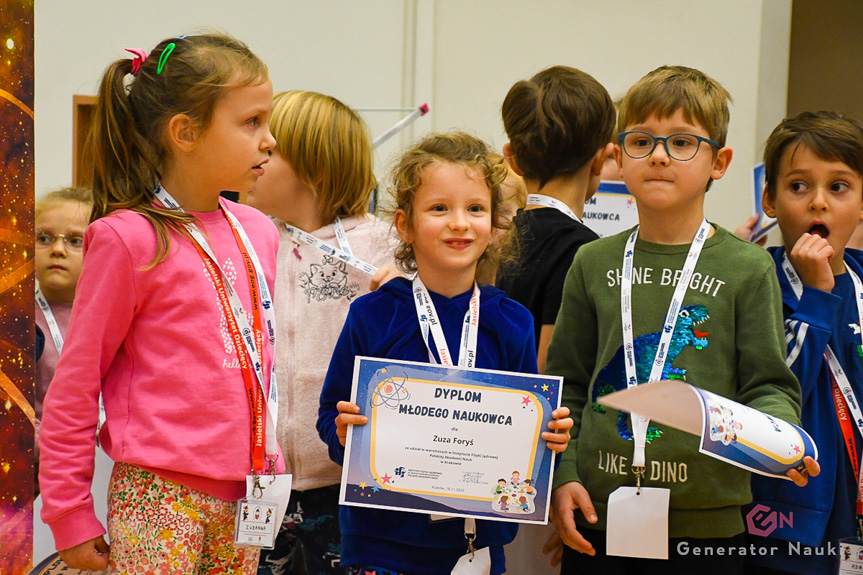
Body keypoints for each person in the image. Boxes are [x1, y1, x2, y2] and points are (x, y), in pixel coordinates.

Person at [546, 65, 817, 574]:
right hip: (598, 515)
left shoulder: (747, 267)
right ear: (617, 156)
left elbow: (769, 384)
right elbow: (568, 387)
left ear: (720, 161)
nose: (661, 155)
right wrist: (563, 475)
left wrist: (783, 439)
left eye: (683, 142)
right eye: (642, 141)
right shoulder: (593, 261)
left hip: (710, 527)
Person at [38, 33, 284, 574]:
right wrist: (70, 514)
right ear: (185, 132)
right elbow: (76, 385)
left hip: (248, 495)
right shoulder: (128, 239)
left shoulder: (259, 231)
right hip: (160, 495)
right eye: (251, 123)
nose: (269, 140)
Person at [317, 132, 573, 575]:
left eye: (475, 208)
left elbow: (525, 435)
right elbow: (328, 418)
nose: (459, 222)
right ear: (405, 224)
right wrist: (344, 433)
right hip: (381, 546)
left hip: (476, 546)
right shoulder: (372, 314)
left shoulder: (513, 322)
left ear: (495, 227)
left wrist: (548, 440)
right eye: (439, 208)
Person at [245, 89, 398, 575]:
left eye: (269, 151)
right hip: (260, 480)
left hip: (346, 479)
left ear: (315, 167)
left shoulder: (382, 244)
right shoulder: (246, 239)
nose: (255, 156)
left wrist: (405, 292)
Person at [744, 111, 863, 575]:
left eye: (838, 187)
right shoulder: (754, 279)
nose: (818, 203)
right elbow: (774, 392)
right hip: (784, 525)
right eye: (798, 186)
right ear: (769, 200)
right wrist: (815, 299)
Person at [495, 65, 615, 374]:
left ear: (512, 159)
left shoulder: (499, 238)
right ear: (602, 158)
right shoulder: (581, 250)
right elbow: (550, 366)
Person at [34, 187, 93, 463]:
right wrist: (55, 449)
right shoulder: (15, 322)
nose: (57, 250)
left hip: (101, 466)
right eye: (44, 238)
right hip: (35, 475)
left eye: (74, 240)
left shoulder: (113, 318)